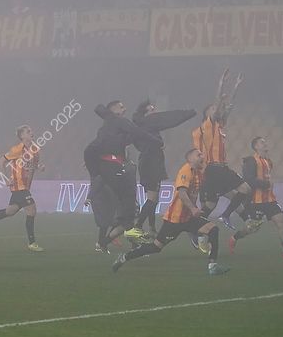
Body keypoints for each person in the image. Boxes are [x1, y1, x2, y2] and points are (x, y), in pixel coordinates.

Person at [113, 149, 229, 276]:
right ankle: (124, 257)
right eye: (198, 155)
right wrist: (193, 208)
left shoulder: (199, 173)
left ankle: (212, 266)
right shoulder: (186, 171)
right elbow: (182, 193)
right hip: (174, 219)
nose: (202, 156)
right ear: (190, 159)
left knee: (213, 229)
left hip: (188, 218)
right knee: (156, 247)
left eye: (202, 154)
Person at [85, 101, 163, 253]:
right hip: (114, 171)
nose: (125, 109)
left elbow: (133, 136)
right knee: (126, 212)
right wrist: (156, 141)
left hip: (117, 170)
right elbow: (137, 133)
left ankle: (105, 242)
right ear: (112, 110)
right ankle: (134, 237)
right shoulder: (113, 127)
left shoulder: (115, 130)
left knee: (126, 216)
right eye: (121, 107)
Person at [124, 99, 195, 240]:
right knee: (153, 198)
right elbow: (169, 119)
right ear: (146, 112)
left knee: (153, 199)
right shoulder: (149, 122)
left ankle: (151, 228)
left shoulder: (137, 126)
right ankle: (137, 227)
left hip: (147, 162)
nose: (155, 112)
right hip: (152, 163)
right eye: (152, 109)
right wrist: (189, 113)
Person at [192, 69, 252, 230]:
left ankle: (200, 226)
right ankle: (227, 216)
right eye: (212, 109)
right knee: (242, 190)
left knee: (216, 201)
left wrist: (236, 86)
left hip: (220, 168)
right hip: (213, 168)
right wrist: (221, 84)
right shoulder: (207, 125)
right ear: (207, 114)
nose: (217, 110)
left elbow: (229, 106)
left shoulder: (219, 125)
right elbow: (219, 103)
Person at [229, 137, 283, 260]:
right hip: (256, 201)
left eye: (265, 142)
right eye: (262, 142)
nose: (265, 144)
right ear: (256, 146)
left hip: (270, 200)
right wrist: (266, 184)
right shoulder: (251, 161)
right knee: (252, 228)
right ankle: (234, 238)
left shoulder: (268, 161)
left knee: (280, 221)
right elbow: (249, 180)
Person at [0, 125, 45, 252]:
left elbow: (34, 164)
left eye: (31, 131)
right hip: (18, 186)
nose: (31, 132)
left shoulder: (35, 149)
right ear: (22, 136)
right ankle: (32, 243)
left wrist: (40, 167)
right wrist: (5, 179)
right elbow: (1, 161)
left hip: (25, 187)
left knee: (10, 211)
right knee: (31, 210)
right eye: (28, 131)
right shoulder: (17, 149)